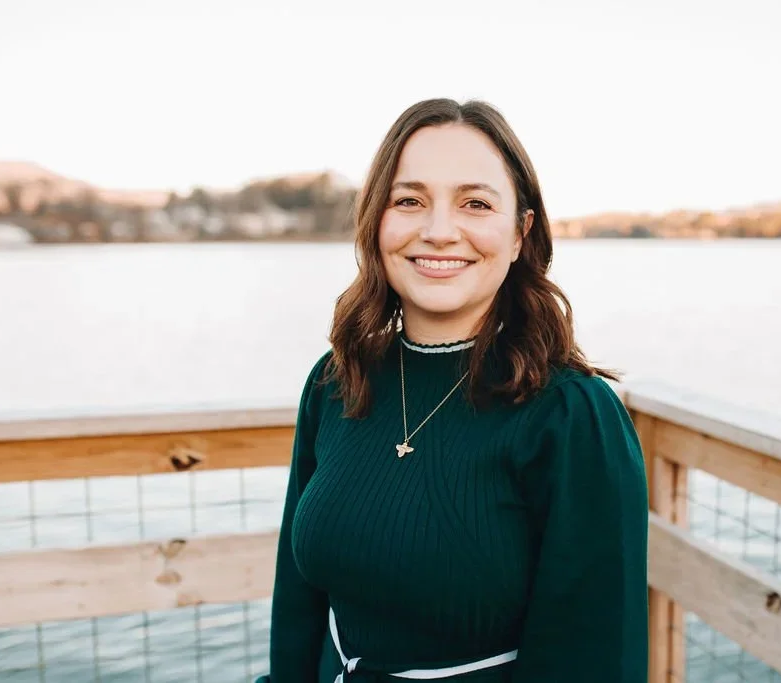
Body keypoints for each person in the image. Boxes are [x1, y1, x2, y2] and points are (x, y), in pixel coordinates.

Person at [255, 98, 648, 683]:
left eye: (476, 204)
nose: (439, 232)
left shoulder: (571, 417)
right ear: (375, 222)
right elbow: (298, 604)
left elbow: (596, 660)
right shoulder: (338, 382)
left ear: (520, 233)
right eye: (408, 200)